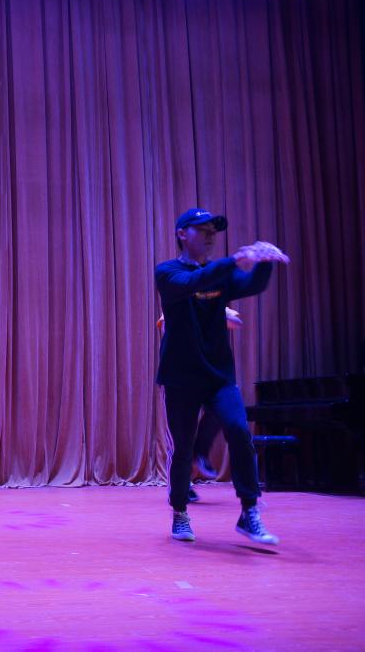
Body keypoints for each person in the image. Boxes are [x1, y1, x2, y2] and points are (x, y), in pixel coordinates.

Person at [156, 208, 288, 544]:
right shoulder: (167, 272)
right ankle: (180, 512)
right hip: (181, 377)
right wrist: (233, 261)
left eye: (213, 230)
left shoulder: (220, 275)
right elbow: (193, 283)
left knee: (239, 430)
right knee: (183, 448)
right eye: (202, 229)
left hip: (218, 376)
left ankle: (249, 511)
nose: (210, 235)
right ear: (182, 234)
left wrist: (264, 262)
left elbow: (251, 284)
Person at [157, 306, 243, 503]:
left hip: (208, 375)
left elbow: (236, 322)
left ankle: (200, 451)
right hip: (180, 377)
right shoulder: (178, 300)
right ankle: (180, 488)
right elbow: (165, 326)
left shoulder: (212, 301)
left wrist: (213, 316)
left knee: (222, 412)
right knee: (179, 441)